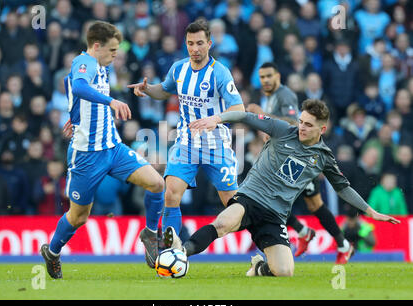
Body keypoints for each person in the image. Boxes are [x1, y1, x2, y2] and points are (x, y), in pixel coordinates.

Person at [163, 99, 400, 277]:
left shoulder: (324, 157)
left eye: (308, 125)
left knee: (285, 271)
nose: (302, 127)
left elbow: (343, 188)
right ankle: (180, 252)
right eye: (300, 121)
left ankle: (259, 268)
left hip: (275, 215)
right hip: (249, 198)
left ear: (322, 130)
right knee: (222, 224)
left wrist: (370, 211)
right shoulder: (281, 130)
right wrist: (218, 119)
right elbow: (245, 116)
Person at [40, 21, 165, 279]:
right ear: (96, 46)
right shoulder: (83, 62)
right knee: (79, 216)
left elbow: (71, 85)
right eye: (112, 50)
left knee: (156, 183)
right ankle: (52, 252)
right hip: (87, 156)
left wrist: (75, 114)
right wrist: (111, 100)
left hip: (113, 148)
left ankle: (151, 234)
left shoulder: (101, 66)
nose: (115, 55)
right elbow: (79, 86)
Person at [128, 19, 245, 266]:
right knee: (171, 193)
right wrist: (149, 90)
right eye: (190, 43)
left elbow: (239, 108)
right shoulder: (179, 69)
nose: (195, 49)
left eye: (200, 43)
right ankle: (171, 251)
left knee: (234, 205)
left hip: (217, 147)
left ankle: (264, 241)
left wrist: (216, 118)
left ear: (210, 44)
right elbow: (165, 90)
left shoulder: (220, 73)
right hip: (186, 144)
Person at [247, 62, 354, 264]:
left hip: (297, 158)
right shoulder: (272, 97)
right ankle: (333, 242)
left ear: (278, 75)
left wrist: (261, 114)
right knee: (306, 203)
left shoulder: (285, 95)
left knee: (278, 198)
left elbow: (291, 125)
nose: (266, 80)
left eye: (269, 76)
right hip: (286, 158)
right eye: (262, 77)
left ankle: (330, 240)